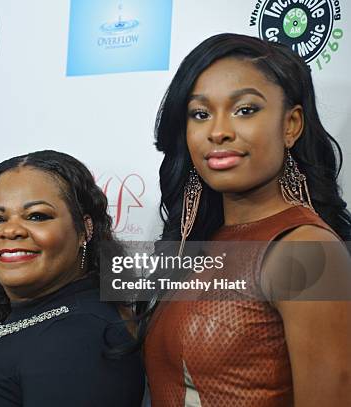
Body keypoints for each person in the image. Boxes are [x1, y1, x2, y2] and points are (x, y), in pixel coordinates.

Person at [140, 33, 351, 406]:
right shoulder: (199, 241)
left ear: (291, 125)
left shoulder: (306, 250)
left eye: (245, 110)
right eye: (200, 114)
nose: (218, 131)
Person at [0, 150, 145, 406]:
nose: (10, 230)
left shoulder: (78, 339)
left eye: (37, 216)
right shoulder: (41, 315)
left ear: (84, 230)